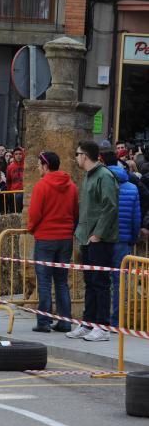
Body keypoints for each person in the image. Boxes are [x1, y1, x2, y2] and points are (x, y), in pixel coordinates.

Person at [67, 140, 119, 342]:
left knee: (100, 283)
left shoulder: (104, 176)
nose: (76, 157)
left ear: (85, 156)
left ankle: (102, 326)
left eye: (77, 153)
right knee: (90, 282)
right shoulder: (88, 177)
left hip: (100, 239)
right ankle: (88, 322)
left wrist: (98, 233)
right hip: (87, 238)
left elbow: (110, 207)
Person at [27, 152, 79, 333]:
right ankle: (65, 321)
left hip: (46, 237)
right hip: (65, 238)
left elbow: (35, 213)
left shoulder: (42, 186)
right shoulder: (71, 186)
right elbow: (75, 212)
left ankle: (44, 321)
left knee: (44, 281)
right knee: (61, 281)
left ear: (45, 165)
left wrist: (32, 228)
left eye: (40, 164)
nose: (38, 167)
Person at [106, 160, 140, 328]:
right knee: (119, 283)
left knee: (102, 280)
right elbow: (136, 219)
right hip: (123, 241)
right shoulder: (132, 188)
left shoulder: (104, 184)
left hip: (104, 239)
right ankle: (116, 321)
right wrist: (132, 239)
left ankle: (102, 319)